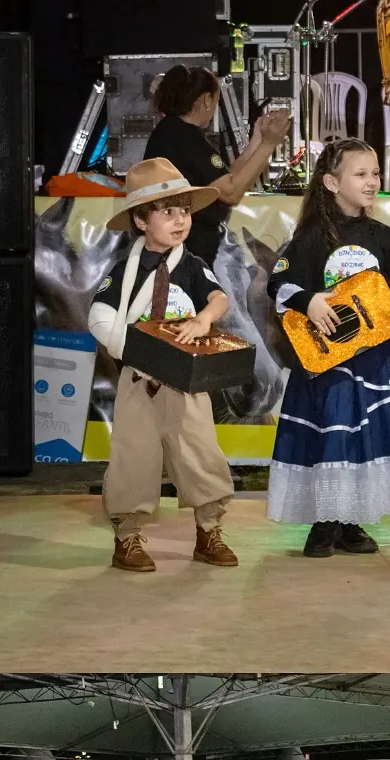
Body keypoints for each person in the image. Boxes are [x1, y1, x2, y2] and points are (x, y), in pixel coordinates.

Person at [265, 137, 390, 558]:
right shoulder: (309, 237)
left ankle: (352, 520)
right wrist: (311, 300)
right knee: (334, 432)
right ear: (330, 181)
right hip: (330, 359)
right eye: (360, 174)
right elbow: (279, 285)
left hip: (378, 358)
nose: (371, 181)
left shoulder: (381, 236)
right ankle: (325, 521)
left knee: (367, 437)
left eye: (375, 173)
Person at [87, 158, 238, 574]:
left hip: (188, 383)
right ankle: (127, 538)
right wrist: (138, 352)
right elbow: (99, 317)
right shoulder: (122, 272)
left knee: (201, 455)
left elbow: (218, 297)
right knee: (133, 459)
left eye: (185, 211)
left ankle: (209, 531)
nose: (179, 220)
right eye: (167, 211)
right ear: (140, 219)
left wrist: (204, 319)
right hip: (140, 381)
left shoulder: (191, 266)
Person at [143, 64, 290, 265]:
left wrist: (258, 138)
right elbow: (230, 193)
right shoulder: (185, 136)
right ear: (206, 100)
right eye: (216, 101)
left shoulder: (174, 131)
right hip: (186, 250)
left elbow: (224, 179)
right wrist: (269, 144)